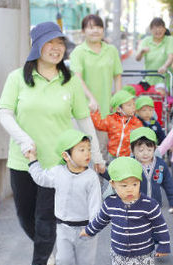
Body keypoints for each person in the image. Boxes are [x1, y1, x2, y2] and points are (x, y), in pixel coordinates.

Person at [0, 21, 104, 265]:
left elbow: (83, 119)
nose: (56, 49)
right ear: (37, 46)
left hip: (58, 163)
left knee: (46, 216)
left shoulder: (69, 81)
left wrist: (97, 155)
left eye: (60, 44)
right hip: (24, 160)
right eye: (50, 43)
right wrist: (23, 139)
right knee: (25, 215)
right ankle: (45, 246)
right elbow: (5, 113)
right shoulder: (17, 78)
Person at [80, 157, 171, 265]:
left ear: (139, 183)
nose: (130, 189)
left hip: (144, 252)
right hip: (119, 254)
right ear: (113, 184)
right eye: (124, 185)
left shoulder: (148, 205)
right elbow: (100, 220)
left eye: (134, 184)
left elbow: (160, 225)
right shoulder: (110, 204)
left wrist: (164, 244)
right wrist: (89, 230)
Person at [27, 129, 101, 265]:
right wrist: (32, 160)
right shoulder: (58, 172)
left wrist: (93, 227)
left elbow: (95, 204)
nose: (87, 154)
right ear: (66, 155)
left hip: (86, 229)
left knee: (85, 262)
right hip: (63, 227)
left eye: (88, 149)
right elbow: (41, 178)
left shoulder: (91, 177)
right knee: (64, 259)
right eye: (81, 150)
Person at [69, 14, 123, 161]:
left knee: (101, 150)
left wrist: (117, 101)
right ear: (83, 31)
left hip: (105, 110)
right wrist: (91, 98)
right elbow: (77, 78)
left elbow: (117, 75)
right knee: (81, 151)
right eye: (90, 27)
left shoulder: (111, 50)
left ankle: (98, 183)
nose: (95, 31)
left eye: (99, 27)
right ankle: (83, 183)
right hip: (83, 109)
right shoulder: (78, 52)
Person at [130, 127, 173, 213]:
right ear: (132, 151)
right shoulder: (130, 165)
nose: (145, 153)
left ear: (155, 148)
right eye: (141, 150)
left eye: (149, 150)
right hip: (135, 206)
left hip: (155, 205)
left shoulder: (160, 165)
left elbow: (168, 184)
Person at [91, 90, 143, 159]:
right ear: (118, 109)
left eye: (133, 104)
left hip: (129, 157)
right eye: (129, 105)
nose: (133, 107)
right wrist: (94, 112)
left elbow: (142, 138)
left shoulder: (136, 123)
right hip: (112, 156)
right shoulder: (111, 119)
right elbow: (99, 125)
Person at [135, 17, 173, 92]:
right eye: (155, 28)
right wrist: (141, 52)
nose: (158, 31)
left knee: (160, 96)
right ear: (151, 30)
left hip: (163, 79)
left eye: (160, 28)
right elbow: (137, 59)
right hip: (148, 80)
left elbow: (171, 57)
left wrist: (164, 67)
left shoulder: (170, 40)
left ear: (164, 29)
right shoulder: (146, 41)